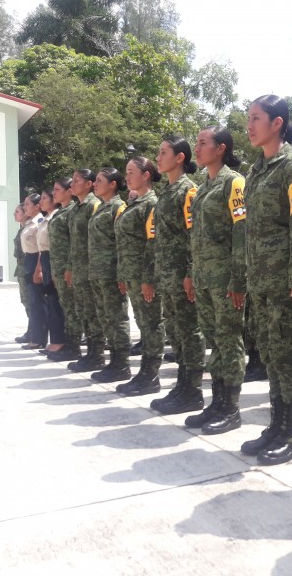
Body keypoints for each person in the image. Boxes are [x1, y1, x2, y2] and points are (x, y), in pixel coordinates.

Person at [239, 95, 292, 464]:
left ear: (277, 123)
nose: (250, 125)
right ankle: (276, 425)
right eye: (248, 118)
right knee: (271, 355)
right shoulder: (255, 171)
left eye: (256, 118)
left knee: (288, 356)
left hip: (287, 282)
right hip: (261, 281)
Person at [183, 126, 247, 434]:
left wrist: (238, 278)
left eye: (202, 143)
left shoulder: (233, 182)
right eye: (196, 143)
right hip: (205, 277)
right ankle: (216, 403)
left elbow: (241, 232)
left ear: (220, 148)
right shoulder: (202, 186)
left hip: (225, 278)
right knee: (214, 341)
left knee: (228, 341)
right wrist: (192, 273)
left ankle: (231, 408)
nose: (197, 147)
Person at [149, 135, 207, 415]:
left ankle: (193, 391)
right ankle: (182, 386)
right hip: (167, 276)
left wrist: (190, 272)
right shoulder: (168, 192)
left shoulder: (189, 191)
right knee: (176, 333)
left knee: (189, 333)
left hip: (182, 276)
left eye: (163, 153)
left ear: (180, 157)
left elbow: (193, 235)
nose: (158, 158)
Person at [114, 157, 165, 396]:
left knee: (152, 324)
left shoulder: (150, 204)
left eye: (131, 172)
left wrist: (148, 278)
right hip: (132, 273)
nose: (127, 176)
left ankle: (151, 374)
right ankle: (144, 372)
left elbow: (152, 244)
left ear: (146, 175)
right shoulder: (134, 203)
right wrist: (123, 273)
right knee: (143, 323)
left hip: (144, 275)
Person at [87, 167, 132, 384]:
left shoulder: (118, 207)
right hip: (98, 272)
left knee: (117, 318)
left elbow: (122, 242)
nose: (95, 184)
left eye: (99, 181)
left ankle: (122, 363)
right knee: (105, 317)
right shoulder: (101, 207)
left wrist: (121, 273)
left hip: (112, 272)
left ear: (112, 184)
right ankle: (113, 361)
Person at [65, 169, 104, 372]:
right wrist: (70, 267)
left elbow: (95, 241)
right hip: (79, 269)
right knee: (84, 313)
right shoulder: (76, 208)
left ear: (88, 184)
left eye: (77, 181)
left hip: (91, 269)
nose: (72, 184)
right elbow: (74, 243)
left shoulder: (93, 205)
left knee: (93, 313)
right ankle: (90, 353)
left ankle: (97, 355)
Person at [46, 177, 82, 362]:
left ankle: (74, 347)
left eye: (58, 189)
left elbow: (73, 243)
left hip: (69, 268)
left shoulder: (71, 212)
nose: (54, 193)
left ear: (69, 191)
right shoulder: (61, 211)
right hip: (59, 267)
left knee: (72, 309)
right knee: (66, 308)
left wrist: (69, 267)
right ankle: (69, 344)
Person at [36, 187, 67, 354]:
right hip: (47, 259)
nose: (41, 202)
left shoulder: (57, 216)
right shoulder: (47, 218)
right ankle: (55, 339)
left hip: (55, 259)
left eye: (44, 198)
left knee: (55, 302)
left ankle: (59, 340)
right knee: (50, 300)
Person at [20, 193, 47, 350]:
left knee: (38, 302)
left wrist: (39, 268)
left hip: (36, 260)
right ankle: (34, 336)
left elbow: (40, 249)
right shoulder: (30, 223)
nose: (25, 207)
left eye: (27, 204)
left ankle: (39, 339)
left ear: (37, 206)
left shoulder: (39, 223)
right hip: (28, 260)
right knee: (32, 301)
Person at [12, 204, 32, 344]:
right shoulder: (22, 228)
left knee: (32, 302)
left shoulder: (31, 227)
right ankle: (32, 330)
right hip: (22, 268)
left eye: (17, 212)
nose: (14, 214)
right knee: (26, 301)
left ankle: (34, 331)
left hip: (29, 269)